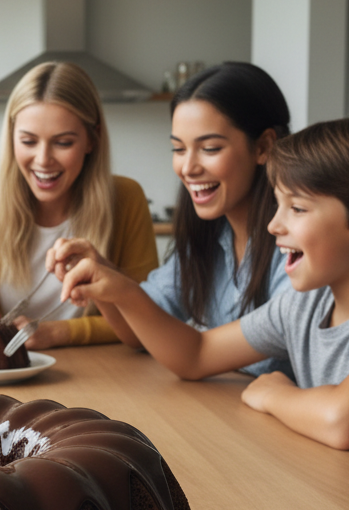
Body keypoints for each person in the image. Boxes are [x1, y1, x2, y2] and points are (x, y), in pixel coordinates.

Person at [57, 117, 349, 474]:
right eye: (278, 205)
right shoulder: (307, 303)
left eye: (297, 209)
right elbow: (196, 354)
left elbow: (346, 421)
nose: (273, 225)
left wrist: (275, 394)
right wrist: (122, 290)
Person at [49, 61, 292, 374]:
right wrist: (100, 274)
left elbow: (197, 356)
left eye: (210, 148)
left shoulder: (296, 248)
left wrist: (121, 289)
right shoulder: (208, 238)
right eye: (178, 149)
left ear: (263, 147)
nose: (188, 168)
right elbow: (138, 334)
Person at [0, 61, 157, 348]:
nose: (43, 160)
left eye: (63, 143)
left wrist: (58, 332)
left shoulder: (126, 199)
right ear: (12, 138)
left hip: (106, 368)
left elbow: (151, 322)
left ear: (93, 139)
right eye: (28, 141)